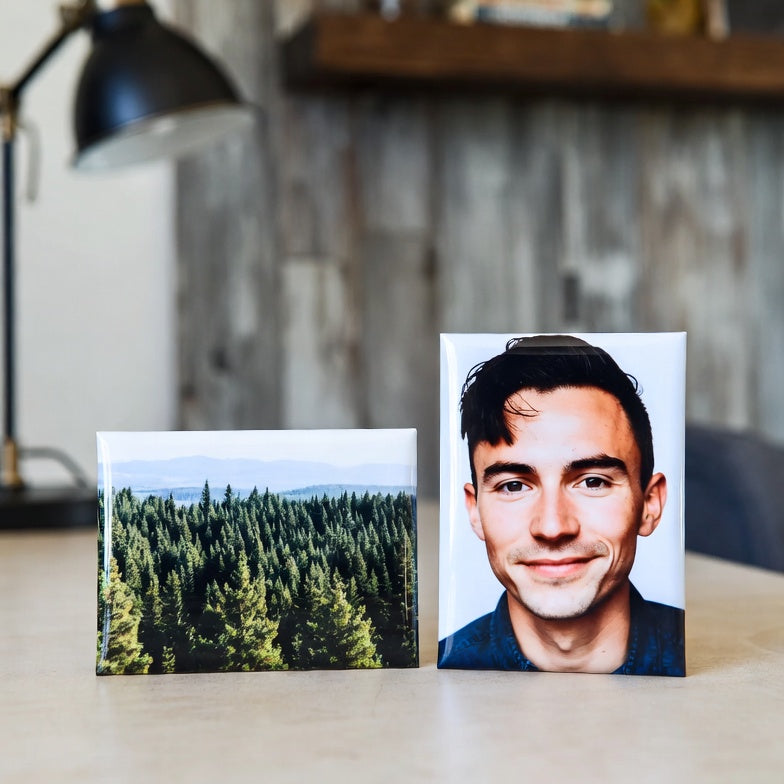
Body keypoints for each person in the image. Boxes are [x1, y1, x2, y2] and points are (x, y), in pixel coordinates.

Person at [438, 335, 685, 675]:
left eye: (593, 482)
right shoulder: (443, 681)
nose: (553, 527)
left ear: (650, 503)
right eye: (513, 486)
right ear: (474, 510)